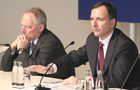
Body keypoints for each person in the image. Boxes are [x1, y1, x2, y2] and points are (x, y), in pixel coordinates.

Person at [28, 2, 140, 89]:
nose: (94, 24)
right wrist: (51, 68)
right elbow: (73, 58)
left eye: (99, 19)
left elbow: (116, 82)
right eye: (92, 19)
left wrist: (82, 82)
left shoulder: (125, 46)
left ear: (112, 23)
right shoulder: (93, 39)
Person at [1, 7, 75, 79]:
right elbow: (5, 67)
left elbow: (36, 72)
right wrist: (12, 47)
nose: (22, 30)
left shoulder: (51, 43)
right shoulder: (27, 39)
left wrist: (21, 50)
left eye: (28, 27)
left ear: (40, 28)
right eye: (22, 26)